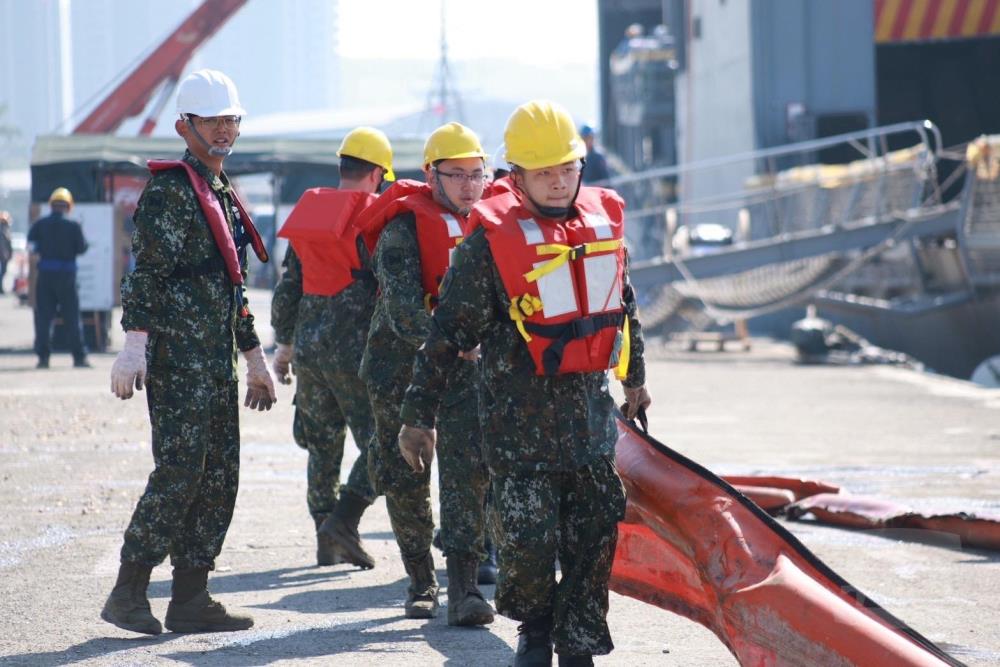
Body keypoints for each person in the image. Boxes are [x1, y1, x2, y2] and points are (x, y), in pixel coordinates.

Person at [397, 100, 651, 666]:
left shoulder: (601, 224)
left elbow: (622, 306)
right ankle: (535, 631)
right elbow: (446, 332)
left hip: (589, 429)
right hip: (518, 435)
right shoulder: (489, 245)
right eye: (544, 173)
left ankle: (578, 646)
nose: (559, 183)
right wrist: (419, 416)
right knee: (527, 549)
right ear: (518, 176)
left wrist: (635, 379)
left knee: (592, 544)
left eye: (566, 170)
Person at [102, 69, 276, 636]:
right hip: (177, 362)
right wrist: (134, 346)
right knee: (179, 473)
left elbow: (233, 284)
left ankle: (191, 595)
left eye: (231, 119)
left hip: (216, 365)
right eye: (213, 120)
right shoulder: (173, 192)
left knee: (219, 476)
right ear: (186, 126)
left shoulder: (219, 190)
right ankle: (129, 592)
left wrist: (253, 359)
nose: (225, 129)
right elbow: (146, 274)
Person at [355, 122, 494, 626]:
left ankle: (464, 591)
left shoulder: (491, 224)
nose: (467, 186)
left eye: (476, 174)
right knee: (405, 476)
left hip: (464, 370)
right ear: (430, 175)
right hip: (400, 367)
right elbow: (402, 310)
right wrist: (454, 344)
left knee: (466, 473)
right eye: (455, 175)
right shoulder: (402, 230)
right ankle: (420, 581)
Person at [271, 126, 394, 568]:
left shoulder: (312, 210)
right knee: (387, 444)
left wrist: (283, 346)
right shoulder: (377, 215)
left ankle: (326, 537)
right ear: (378, 173)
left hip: (309, 347)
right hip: (357, 352)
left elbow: (290, 288)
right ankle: (342, 521)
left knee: (323, 447)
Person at [28, 188, 89, 368]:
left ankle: (43, 358)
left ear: (51, 205)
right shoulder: (74, 225)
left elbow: (31, 247)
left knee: (44, 318)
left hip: (45, 276)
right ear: (68, 206)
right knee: (72, 317)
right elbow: (82, 248)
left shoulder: (40, 224)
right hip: (67, 277)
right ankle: (79, 358)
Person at [0, 211, 12, 294]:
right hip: (2, 254)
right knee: (2, 271)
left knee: (3, 271)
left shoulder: (6, 229)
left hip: (4, 255)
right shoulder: (2, 230)